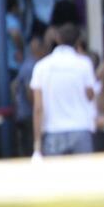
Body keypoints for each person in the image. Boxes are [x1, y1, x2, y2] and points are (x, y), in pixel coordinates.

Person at [30, 23, 97, 157]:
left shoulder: (41, 66)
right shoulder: (84, 64)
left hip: (53, 131)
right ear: (78, 41)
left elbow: (38, 108)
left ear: (57, 39)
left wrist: (37, 143)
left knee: (56, 178)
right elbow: (90, 95)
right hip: (80, 128)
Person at [0, 0, 24, 79]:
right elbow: (15, 34)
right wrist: (20, 49)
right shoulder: (11, 20)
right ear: (14, 6)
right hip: (13, 64)